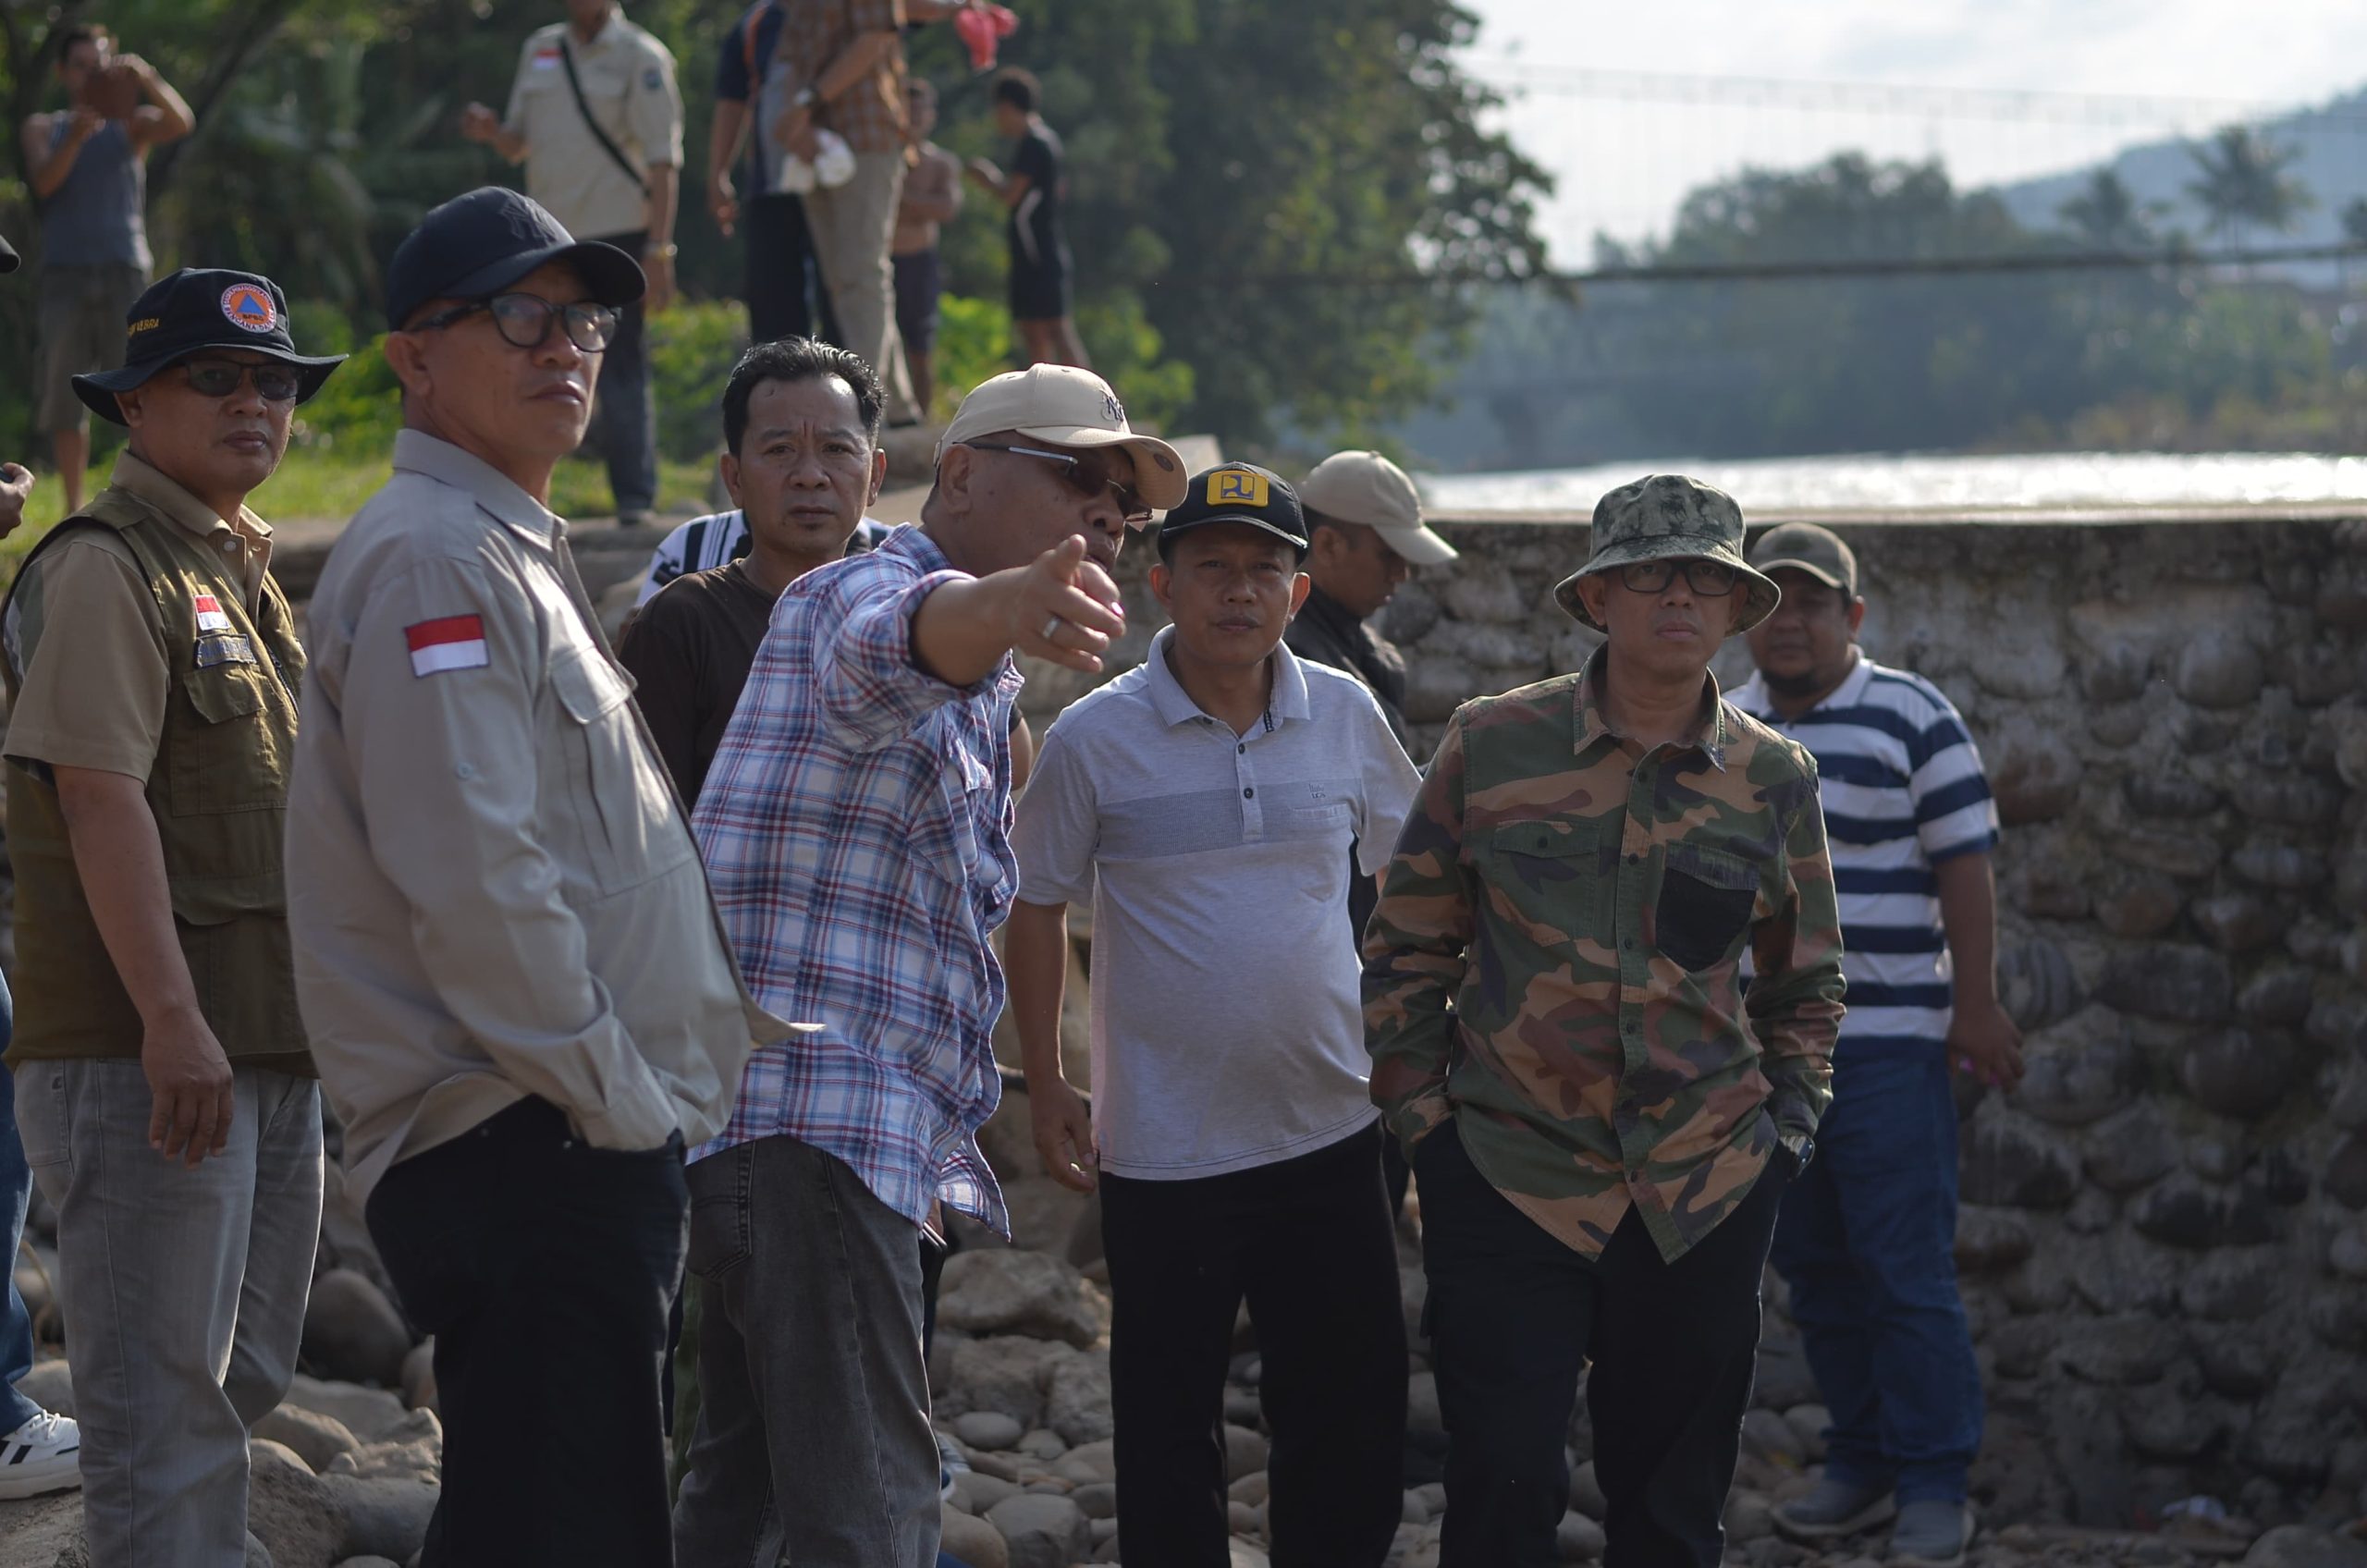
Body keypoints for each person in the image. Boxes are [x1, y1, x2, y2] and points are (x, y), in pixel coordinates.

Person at [282, 188, 789, 1566]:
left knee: (531, 1518)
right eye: (518, 314)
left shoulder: (502, 544)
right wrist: (612, 1092)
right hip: (530, 1131)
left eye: (584, 319)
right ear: (413, 355)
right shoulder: (434, 556)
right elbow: (472, 870)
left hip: (554, 1129)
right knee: (574, 1527)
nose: (563, 344)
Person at [672, 363, 1184, 1568]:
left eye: (1121, 507)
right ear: (958, 474)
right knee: (875, 1518)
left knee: (738, 1510)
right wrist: (1009, 603)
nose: (1102, 519)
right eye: (1078, 480)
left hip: (804, 1135)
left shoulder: (980, 683)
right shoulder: (860, 594)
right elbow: (899, 637)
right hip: (815, 1129)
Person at [1364, 473, 1846, 1568]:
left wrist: (1789, 1133)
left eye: (1707, 579)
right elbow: (1404, 946)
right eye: (1647, 574)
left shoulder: (1773, 778)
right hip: (1506, 1171)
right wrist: (1424, 1126)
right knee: (1501, 1475)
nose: (1678, 597)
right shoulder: (1492, 744)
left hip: (1704, 1183)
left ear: (1736, 608)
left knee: (1672, 1508)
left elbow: (1803, 982)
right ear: (1596, 601)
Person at [1007, 463, 1417, 1568]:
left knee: (1348, 1403)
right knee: (1165, 1421)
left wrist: (1415, 1059)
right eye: (1214, 568)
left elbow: (1421, 880)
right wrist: (1049, 1082)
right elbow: (1031, 903)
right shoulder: (1098, 737)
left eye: (1264, 570)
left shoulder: (1342, 712)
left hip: (1331, 1128)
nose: (1240, 592)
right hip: (1162, 1149)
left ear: (1296, 592)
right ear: (1161, 585)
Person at [2, 268, 344, 1567]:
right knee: (158, 1419)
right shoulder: (106, 567)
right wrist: (169, 1019)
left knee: (241, 1373)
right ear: (136, 403)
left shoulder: (237, 571)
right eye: (216, 377)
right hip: (149, 1054)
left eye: (273, 382)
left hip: (261, 1040)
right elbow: (100, 802)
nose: (253, 401)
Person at [1730, 523, 2017, 1568]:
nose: (1791, 621)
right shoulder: (1729, 724)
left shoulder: (1911, 713)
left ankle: (1937, 1481)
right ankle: (1859, 1462)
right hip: (1770, 1057)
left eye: (1813, 603)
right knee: (1813, 1268)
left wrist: (1973, 1006)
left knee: (1905, 1272)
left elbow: (1964, 865)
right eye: (1772, 602)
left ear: (1852, 616)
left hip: (1894, 1042)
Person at [1286, 448, 1459, 1222]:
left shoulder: (1356, 651)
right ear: (1328, 548)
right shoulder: (1294, 664)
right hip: (1328, 970)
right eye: (1390, 555)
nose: (1403, 576)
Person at [619, 336, 886, 805]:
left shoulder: (911, 614)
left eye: (836, 450)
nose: (810, 475)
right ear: (734, 478)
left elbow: (1006, 753)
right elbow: (645, 820)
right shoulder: (683, 622)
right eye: (780, 450)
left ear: (875, 477)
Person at [461, 0, 683, 529]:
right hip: (547, 238)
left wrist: (659, 248)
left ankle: (635, 499)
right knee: (536, 355)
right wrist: (493, 130)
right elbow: (519, 143)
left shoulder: (641, 56)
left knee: (620, 359)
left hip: (621, 232)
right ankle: (530, 495)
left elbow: (662, 159)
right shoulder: (539, 48)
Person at [22, 23, 192, 515]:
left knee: (144, 383)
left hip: (125, 269)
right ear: (61, 72)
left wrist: (146, 77)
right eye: (80, 67)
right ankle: (74, 510)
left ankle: (146, 501)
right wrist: (74, 137)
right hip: (65, 274)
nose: (89, 76)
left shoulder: (132, 124)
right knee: (66, 389)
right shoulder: (42, 127)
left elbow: (182, 121)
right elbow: (45, 185)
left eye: (99, 65)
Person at [758, 0, 924, 424]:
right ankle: (898, 406)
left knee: (862, 273)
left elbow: (876, 39)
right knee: (843, 280)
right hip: (813, 140)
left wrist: (806, 103)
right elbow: (793, 57)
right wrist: (800, 124)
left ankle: (867, 407)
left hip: (866, 134)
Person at [711, 0, 834, 347]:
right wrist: (719, 173)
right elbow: (732, 100)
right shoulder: (755, 23)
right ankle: (778, 391)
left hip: (837, 184)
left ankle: (852, 395)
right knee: (772, 305)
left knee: (842, 301)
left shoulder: (847, 8)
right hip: (771, 185)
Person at [966, 68, 1086, 369]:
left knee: (1055, 328)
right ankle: (1049, 402)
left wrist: (985, 176)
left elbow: (1012, 195)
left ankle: (1094, 402)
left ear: (1007, 106)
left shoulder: (1034, 143)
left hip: (1038, 251)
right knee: (1034, 329)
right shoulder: (1047, 139)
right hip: (1037, 248)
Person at [890, 77, 961, 417]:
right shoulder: (884, 159)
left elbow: (946, 208)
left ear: (932, 115)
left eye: (922, 110)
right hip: (882, 260)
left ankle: (922, 414)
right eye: (909, 109)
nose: (915, 117)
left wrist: (905, 199)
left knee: (920, 347)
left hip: (919, 262)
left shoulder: (940, 163)